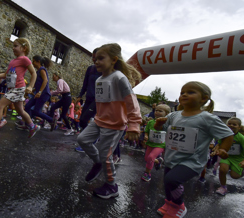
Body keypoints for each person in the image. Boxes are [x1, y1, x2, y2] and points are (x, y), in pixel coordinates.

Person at [154, 81, 233, 217]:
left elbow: (228, 135)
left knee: (172, 180)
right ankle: (169, 204)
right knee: (168, 182)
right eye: (182, 92)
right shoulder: (174, 115)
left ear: (204, 98)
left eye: (190, 92)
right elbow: (159, 129)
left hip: (192, 161)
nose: (184, 94)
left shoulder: (207, 118)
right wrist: (158, 124)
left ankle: (179, 206)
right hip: (172, 157)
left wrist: (223, 149)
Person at [77, 43, 142, 199]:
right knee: (82, 139)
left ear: (113, 60)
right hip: (99, 121)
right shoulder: (99, 79)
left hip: (114, 125)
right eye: (95, 59)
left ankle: (112, 186)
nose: (96, 61)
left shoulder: (119, 78)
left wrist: (134, 124)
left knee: (106, 156)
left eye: (101, 58)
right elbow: (102, 102)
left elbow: (132, 101)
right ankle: (97, 162)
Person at [16, 55, 54, 131]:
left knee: (36, 111)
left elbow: (45, 81)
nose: (32, 63)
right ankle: (28, 125)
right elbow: (38, 83)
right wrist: (33, 90)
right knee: (27, 106)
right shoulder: (37, 71)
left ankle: (51, 120)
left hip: (43, 94)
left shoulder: (42, 69)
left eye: (33, 61)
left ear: (38, 62)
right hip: (38, 93)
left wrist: (39, 92)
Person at [213, 117, 244, 196]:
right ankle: (223, 187)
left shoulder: (241, 138)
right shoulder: (225, 135)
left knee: (235, 176)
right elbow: (219, 143)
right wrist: (216, 148)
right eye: (229, 124)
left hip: (238, 159)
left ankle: (242, 171)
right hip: (227, 156)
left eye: (234, 124)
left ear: (239, 127)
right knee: (223, 170)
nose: (231, 125)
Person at [141, 104, 171, 182]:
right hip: (150, 143)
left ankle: (147, 173)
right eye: (156, 110)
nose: (157, 112)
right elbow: (146, 131)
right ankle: (158, 161)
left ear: (167, 113)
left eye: (160, 111)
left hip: (160, 145)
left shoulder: (168, 124)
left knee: (151, 157)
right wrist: (146, 136)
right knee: (147, 159)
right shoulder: (150, 122)